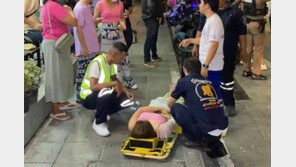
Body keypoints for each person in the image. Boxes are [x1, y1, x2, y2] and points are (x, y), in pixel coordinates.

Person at [194, 0, 247, 117]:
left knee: (227, 80)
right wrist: (195, 44)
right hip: (211, 56)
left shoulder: (235, 12)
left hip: (228, 52)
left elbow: (242, 33)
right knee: (211, 82)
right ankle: (212, 106)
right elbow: (200, 28)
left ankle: (229, 104)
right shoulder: (210, 12)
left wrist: (244, 50)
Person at [167, 57, 228, 158]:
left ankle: (197, 140)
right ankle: (211, 140)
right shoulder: (209, 82)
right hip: (221, 129)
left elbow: (170, 104)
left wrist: (171, 92)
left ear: (184, 69)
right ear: (200, 69)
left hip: (205, 133)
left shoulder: (183, 81)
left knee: (176, 107)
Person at [80, 42, 135, 136]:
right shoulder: (97, 63)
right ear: (114, 55)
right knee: (106, 92)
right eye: (121, 58)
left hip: (102, 95)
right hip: (88, 97)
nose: (122, 60)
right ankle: (98, 122)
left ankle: (104, 113)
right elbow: (93, 87)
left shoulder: (112, 63)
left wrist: (127, 92)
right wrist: (113, 84)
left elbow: (115, 79)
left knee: (127, 100)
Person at [179, 0, 225, 103]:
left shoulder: (214, 22)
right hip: (209, 65)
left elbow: (214, 44)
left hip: (212, 66)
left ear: (207, 5)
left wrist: (205, 65)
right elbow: (205, 40)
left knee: (213, 93)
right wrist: (190, 40)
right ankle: (212, 114)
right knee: (209, 93)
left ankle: (219, 115)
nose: (199, 5)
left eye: (201, 2)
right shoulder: (210, 20)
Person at [41, 0, 78, 121]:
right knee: (55, 76)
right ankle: (55, 109)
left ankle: (62, 102)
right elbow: (74, 22)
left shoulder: (49, 5)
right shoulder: (54, 6)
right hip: (54, 44)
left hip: (58, 43)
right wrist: (70, 11)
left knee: (63, 74)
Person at [93, 0, 138, 89]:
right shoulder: (100, 4)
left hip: (118, 33)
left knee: (124, 57)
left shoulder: (120, 4)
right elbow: (94, 19)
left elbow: (121, 18)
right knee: (107, 58)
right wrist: (97, 20)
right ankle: (108, 82)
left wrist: (123, 25)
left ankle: (128, 80)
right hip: (106, 34)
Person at [73, 0, 100, 104]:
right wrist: (84, 47)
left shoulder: (87, 6)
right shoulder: (80, 8)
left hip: (91, 45)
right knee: (82, 72)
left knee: (90, 72)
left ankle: (87, 93)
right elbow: (78, 29)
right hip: (86, 48)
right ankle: (80, 95)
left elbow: (87, 25)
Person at [238, 0, 270, 80]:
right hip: (257, 25)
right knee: (258, 49)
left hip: (247, 24)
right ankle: (256, 73)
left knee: (248, 48)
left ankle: (246, 70)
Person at [141, 0, 165, 67]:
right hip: (151, 16)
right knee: (151, 37)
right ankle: (147, 59)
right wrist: (159, 15)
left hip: (152, 15)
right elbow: (151, 6)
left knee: (153, 37)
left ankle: (154, 55)